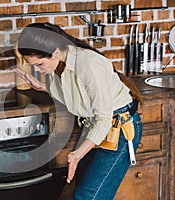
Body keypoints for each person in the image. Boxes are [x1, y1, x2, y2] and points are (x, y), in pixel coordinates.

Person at [13, 22, 143, 200]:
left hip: (118, 129)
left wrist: (77, 155)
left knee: (88, 196)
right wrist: (42, 86)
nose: (37, 69)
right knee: (83, 194)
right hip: (94, 128)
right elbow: (76, 96)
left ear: (56, 52)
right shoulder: (60, 65)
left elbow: (103, 118)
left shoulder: (88, 63)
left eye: (39, 64)